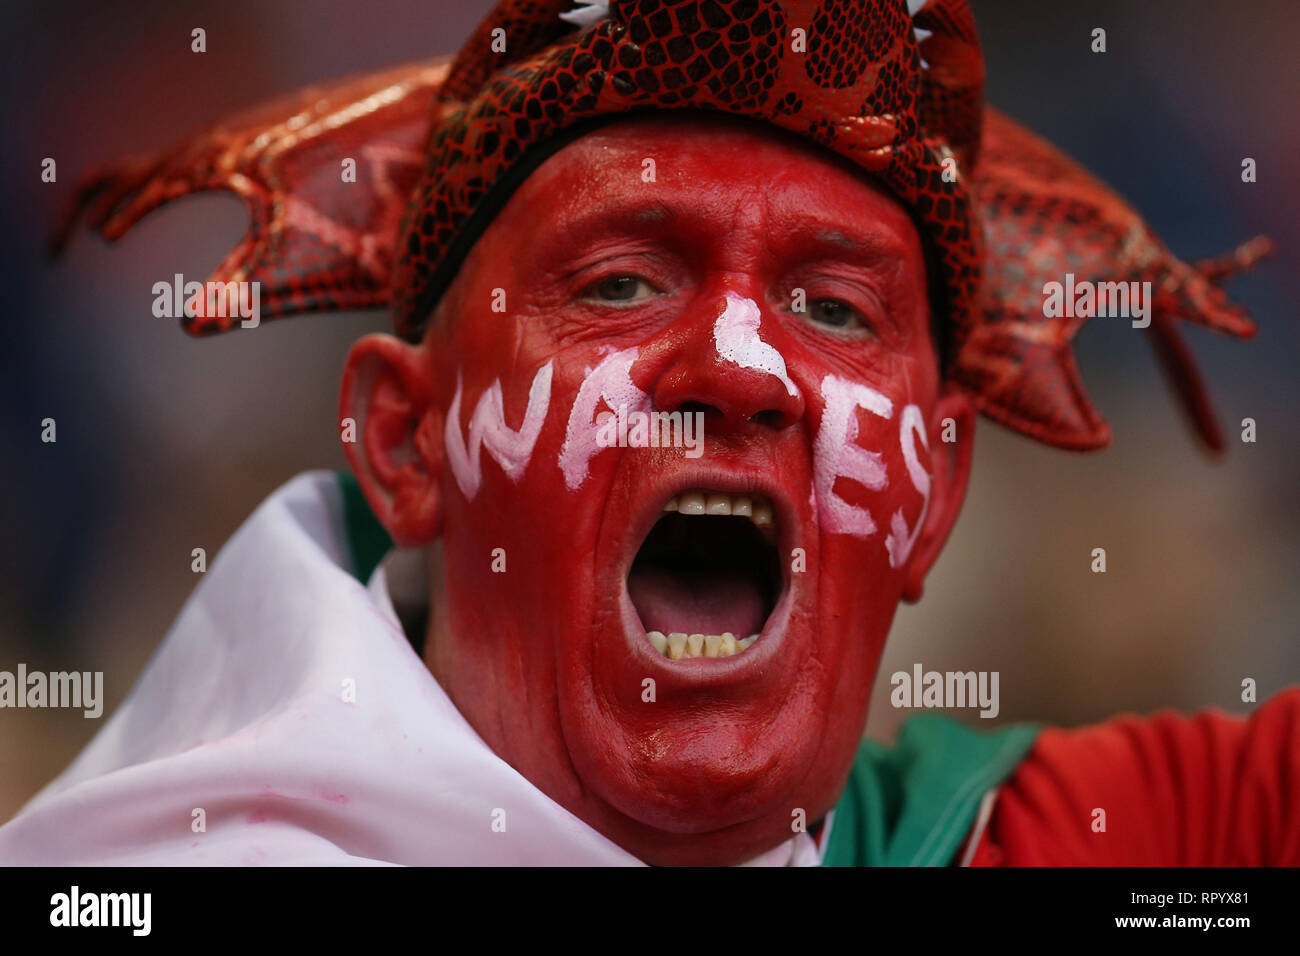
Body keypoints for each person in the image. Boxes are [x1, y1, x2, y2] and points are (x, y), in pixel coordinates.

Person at [2, 0, 1294, 866]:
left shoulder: (1046, 843)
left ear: (937, 493)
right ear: (402, 445)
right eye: (621, 282)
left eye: (833, 307)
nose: (738, 374)